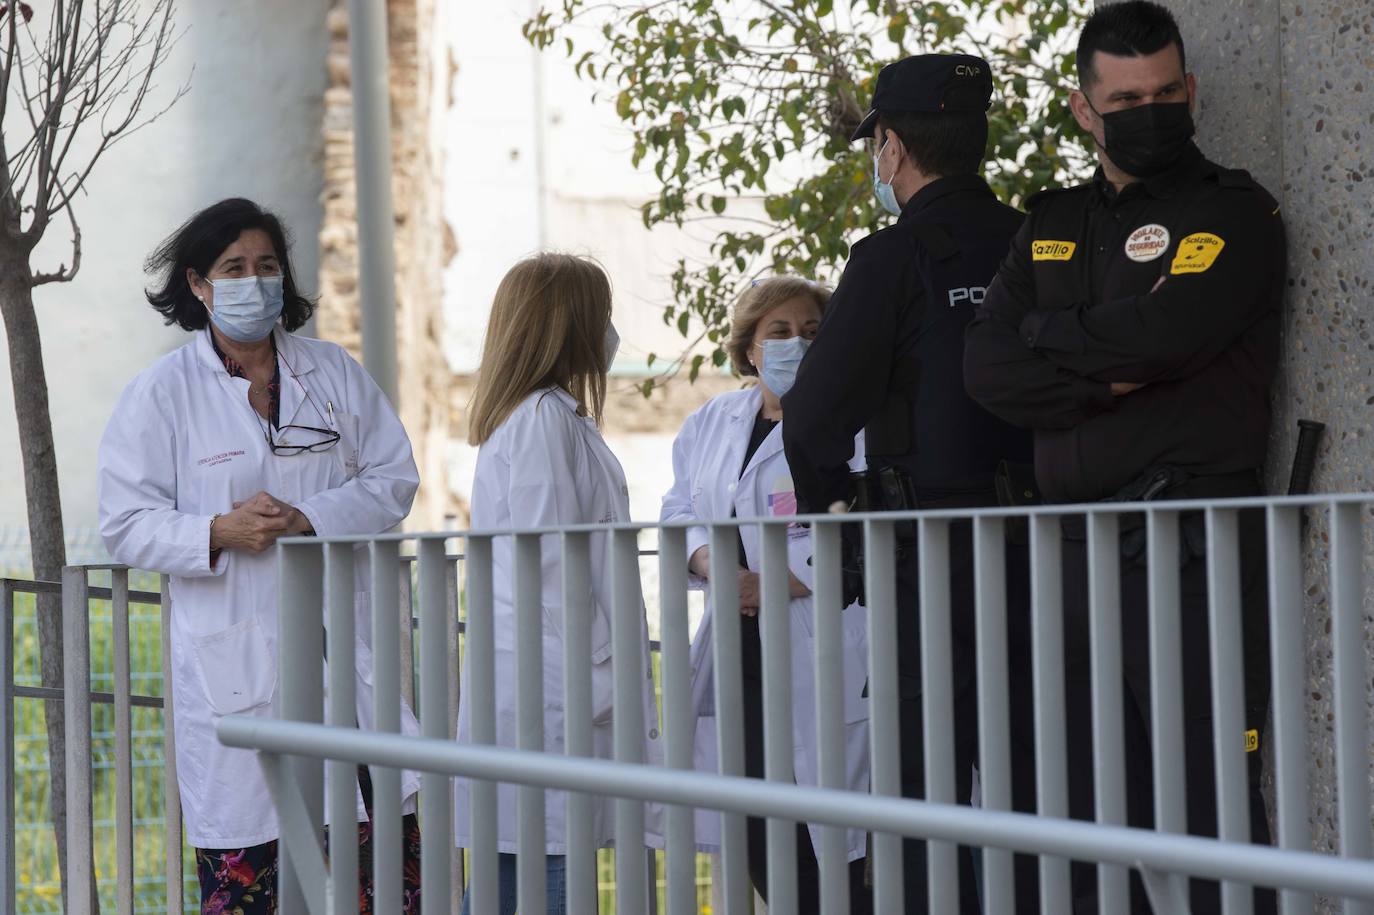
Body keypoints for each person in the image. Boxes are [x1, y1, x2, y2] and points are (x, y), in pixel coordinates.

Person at [963, 3, 1284, 912]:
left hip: (1187, 551)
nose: (1152, 111)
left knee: (1211, 821)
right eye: (1127, 99)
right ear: (1083, 108)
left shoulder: (1232, 210)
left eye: (1166, 92)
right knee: (1082, 827)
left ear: (1191, 89)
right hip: (1070, 556)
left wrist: (1047, 335)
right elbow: (986, 367)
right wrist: (1105, 377)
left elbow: (1167, 334)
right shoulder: (1054, 220)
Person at [97, 198, 424, 914]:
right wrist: (218, 531)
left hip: (343, 665)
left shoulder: (332, 373)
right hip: (236, 669)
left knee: (379, 877)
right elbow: (124, 522)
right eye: (234, 267)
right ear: (197, 284)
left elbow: (394, 477)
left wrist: (310, 515)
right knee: (255, 877)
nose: (255, 280)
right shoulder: (161, 395)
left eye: (267, 265)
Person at [780, 55, 1037, 912]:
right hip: (1047, 556)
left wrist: (842, 526)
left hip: (926, 565)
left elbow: (811, 418)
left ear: (891, 148)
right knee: (1042, 796)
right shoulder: (1038, 241)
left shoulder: (891, 259)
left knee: (926, 807)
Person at [453, 253, 661, 915]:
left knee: (513, 871)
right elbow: (550, 561)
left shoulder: (544, 416)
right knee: (546, 869)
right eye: (601, 315)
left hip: (546, 678)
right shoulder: (542, 419)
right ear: (567, 325)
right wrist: (603, 666)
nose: (609, 332)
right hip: (553, 686)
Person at [659, 277, 873, 914]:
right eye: (778, 332)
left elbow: (863, 526)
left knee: (832, 846)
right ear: (749, 348)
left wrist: (772, 582)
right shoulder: (713, 422)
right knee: (758, 829)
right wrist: (713, 565)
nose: (796, 344)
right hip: (741, 655)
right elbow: (678, 511)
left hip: (823, 644)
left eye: (811, 332)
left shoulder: (858, 421)